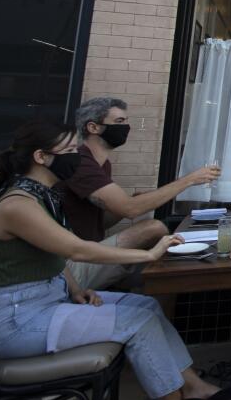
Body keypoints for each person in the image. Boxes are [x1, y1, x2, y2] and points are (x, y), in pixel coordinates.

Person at [0, 119, 231, 400]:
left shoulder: (41, 195)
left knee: (147, 306)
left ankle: (193, 386)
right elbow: (77, 250)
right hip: (17, 322)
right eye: (70, 150)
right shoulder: (18, 204)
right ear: (41, 157)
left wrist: (75, 288)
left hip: (49, 302)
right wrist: (148, 254)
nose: (77, 155)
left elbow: (54, 255)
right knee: (137, 321)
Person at [59, 97, 220, 290]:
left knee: (152, 246)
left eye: (126, 121)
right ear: (93, 127)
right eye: (119, 122)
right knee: (153, 229)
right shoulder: (80, 163)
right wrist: (190, 179)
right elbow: (131, 210)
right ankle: (167, 290)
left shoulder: (102, 164)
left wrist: (134, 202)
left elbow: (102, 221)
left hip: (89, 254)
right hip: (67, 270)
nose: (126, 127)